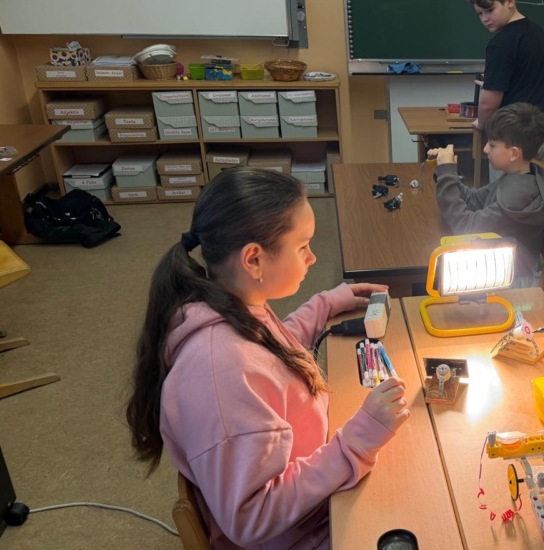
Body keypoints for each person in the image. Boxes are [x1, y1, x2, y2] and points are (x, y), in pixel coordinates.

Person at [125, 168, 410, 549]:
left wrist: (324, 304)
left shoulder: (231, 305)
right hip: (297, 535)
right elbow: (253, 516)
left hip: (313, 500)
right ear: (254, 259)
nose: (313, 258)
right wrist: (358, 440)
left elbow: (270, 355)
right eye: (302, 246)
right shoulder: (220, 372)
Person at [429, 103, 544, 287]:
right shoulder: (519, 176)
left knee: (432, 269)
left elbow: (466, 228)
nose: (485, 149)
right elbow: (473, 199)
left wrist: (447, 174)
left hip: (510, 280)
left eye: (492, 145)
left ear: (514, 153)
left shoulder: (516, 197)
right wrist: (445, 172)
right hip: (503, 264)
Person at [468, 0, 544, 180]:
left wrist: (481, 123)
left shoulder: (501, 44)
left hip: (513, 139)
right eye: (480, 13)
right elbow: (528, 78)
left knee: (507, 195)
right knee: (538, 191)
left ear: (510, 1)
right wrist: (494, 82)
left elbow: (488, 104)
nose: (484, 19)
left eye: (489, 10)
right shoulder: (538, 33)